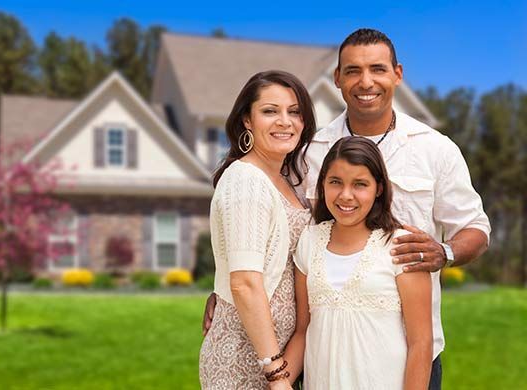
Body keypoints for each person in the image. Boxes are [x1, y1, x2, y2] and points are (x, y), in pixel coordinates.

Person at [203, 28, 491, 389]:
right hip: (322, 351)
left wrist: (443, 252)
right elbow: (272, 226)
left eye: (378, 69)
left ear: (397, 74)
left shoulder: (436, 149)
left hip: (414, 352)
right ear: (337, 79)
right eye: (353, 70)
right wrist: (229, 288)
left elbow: (476, 228)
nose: (365, 81)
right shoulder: (309, 151)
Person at [198, 70, 315, 390]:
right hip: (246, 357)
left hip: (279, 357)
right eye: (269, 111)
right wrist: (276, 375)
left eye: (294, 112)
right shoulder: (245, 180)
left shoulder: (290, 181)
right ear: (247, 120)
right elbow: (245, 283)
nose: (285, 121)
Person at [293, 136, 432, 389]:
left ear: (378, 188)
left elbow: (421, 343)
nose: (346, 196)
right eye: (335, 182)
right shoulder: (309, 241)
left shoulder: (402, 246)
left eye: (360, 184)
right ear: (322, 184)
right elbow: (303, 330)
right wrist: (277, 381)